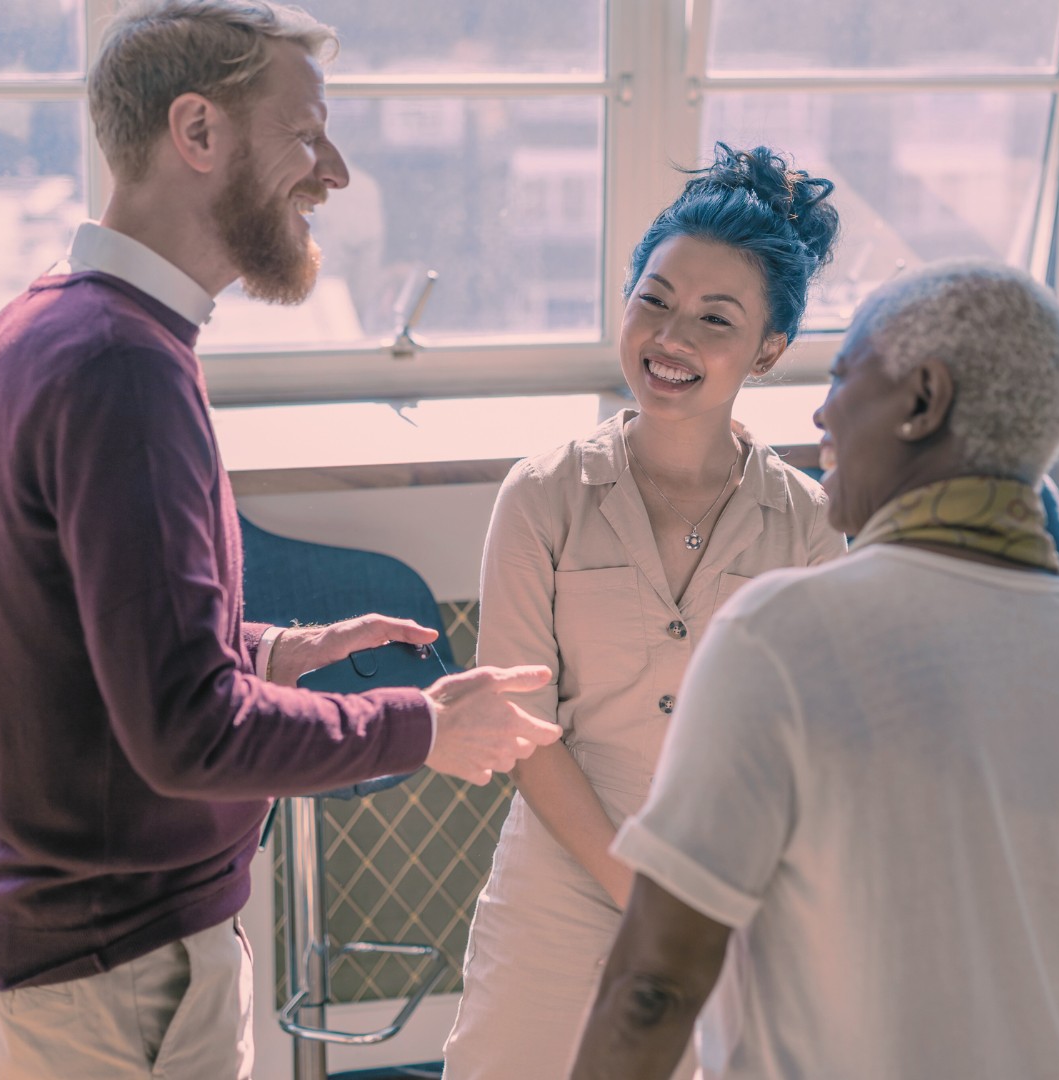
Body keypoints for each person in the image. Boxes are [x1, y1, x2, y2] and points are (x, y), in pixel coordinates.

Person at [0, 2, 561, 1076]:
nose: (335, 173)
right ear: (197, 133)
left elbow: (90, 645)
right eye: (306, 132)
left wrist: (267, 652)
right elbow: (186, 735)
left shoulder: (51, 327)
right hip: (123, 973)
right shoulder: (121, 371)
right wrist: (422, 729)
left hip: (78, 950)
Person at [569, 260, 1059, 1080]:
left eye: (845, 375)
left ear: (922, 400)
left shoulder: (783, 635)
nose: (821, 410)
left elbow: (656, 984)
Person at [441, 145, 848, 1080]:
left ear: (768, 350)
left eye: (716, 319)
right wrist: (641, 892)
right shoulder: (541, 495)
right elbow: (522, 732)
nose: (673, 338)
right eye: (654, 300)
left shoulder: (813, 526)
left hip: (737, 899)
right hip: (559, 882)